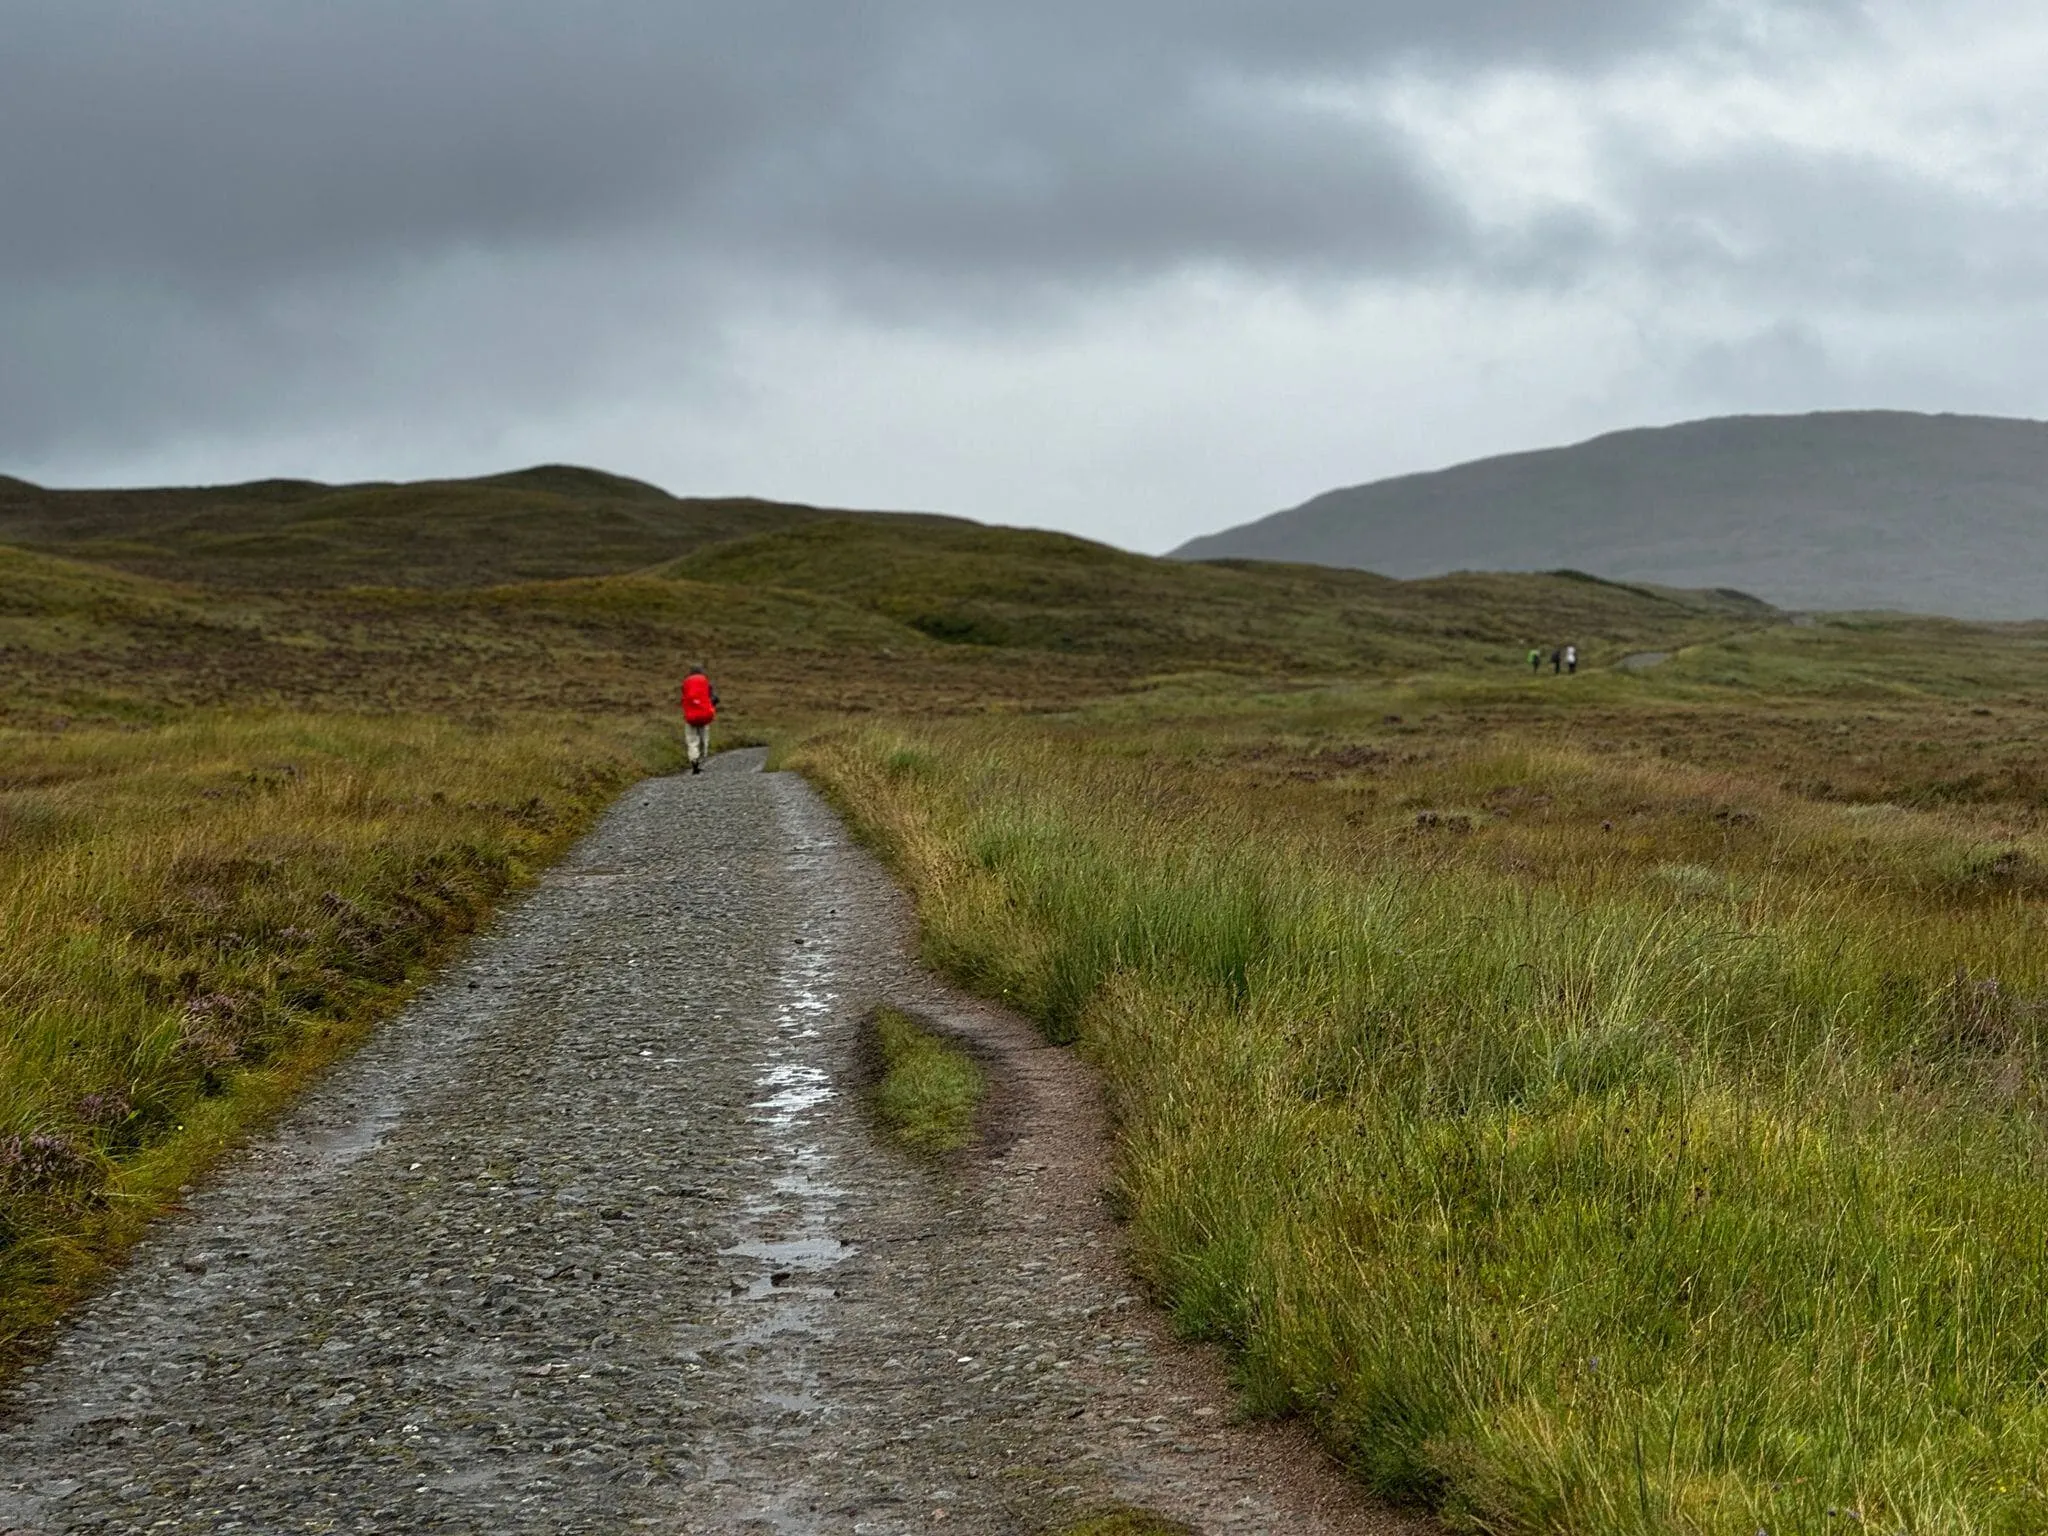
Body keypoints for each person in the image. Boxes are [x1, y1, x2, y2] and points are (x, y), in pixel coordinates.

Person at [680, 663, 719, 774]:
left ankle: (694, 759)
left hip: (691, 716)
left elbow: (684, 699)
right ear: (702, 672)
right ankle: (702, 757)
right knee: (704, 738)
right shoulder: (706, 683)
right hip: (704, 715)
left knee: (692, 740)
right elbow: (714, 698)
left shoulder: (686, 683)